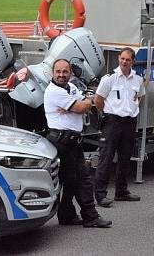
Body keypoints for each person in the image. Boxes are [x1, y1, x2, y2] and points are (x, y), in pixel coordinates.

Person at [44, 59, 112, 228]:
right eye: (58, 72)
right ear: (52, 73)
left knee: (71, 180)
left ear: (71, 73)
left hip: (71, 141)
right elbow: (82, 108)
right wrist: (81, 105)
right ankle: (91, 216)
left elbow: (88, 101)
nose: (61, 75)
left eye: (65, 72)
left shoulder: (71, 87)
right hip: (61, 141)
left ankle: (67, 215)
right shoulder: (54, 91)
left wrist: (80, 104)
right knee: (82, 179)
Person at [93, 48, 145, 207]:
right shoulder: (109, 79)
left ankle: (121, 191)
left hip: (129, 122)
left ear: (133, 61)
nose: (124, 62)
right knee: (106, 159)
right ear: (118, 59)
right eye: (122, 59)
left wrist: (133, 108)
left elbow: (140, 96)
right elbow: (98, 100)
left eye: (127, 60)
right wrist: (109, 114)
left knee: (125, 158)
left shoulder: (138, 79)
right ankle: (100, 195)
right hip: (113, 122)